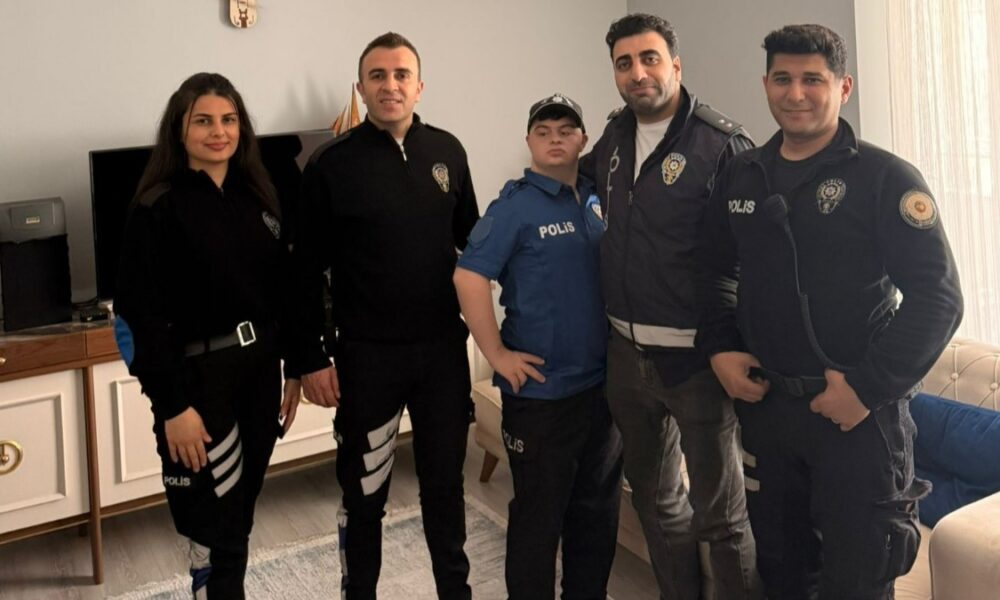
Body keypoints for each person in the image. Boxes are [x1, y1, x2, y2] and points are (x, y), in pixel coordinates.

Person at [698, 24, 963, 599]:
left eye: (812, 80)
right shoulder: (744, 173)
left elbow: (939, 298)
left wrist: (865, 389)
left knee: (858, 580)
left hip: (858, 421)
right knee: (782, 572)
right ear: (765, 85)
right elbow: (716, 269)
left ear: (843, 87)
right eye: (783, 79)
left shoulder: (884, 178)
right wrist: (720, 347)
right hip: (769, 412)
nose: (796, 94)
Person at [292, 32, 480, 600]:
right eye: (378, 75)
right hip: (367, 359)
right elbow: (301, 270)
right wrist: (309, 358)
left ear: (419, 86)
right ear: (361, 87)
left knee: (445, 490)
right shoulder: (330, 164)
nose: (390, 85)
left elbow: (474, 245)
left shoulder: (448, 151)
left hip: (443, 355)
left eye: (401, 75)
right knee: (364, 494)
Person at [580, 13, 761, 599]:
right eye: (624, 63)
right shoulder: (614, 137)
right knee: (656, 503)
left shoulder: (723, 145)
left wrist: (735, 346)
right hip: (625, 359)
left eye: (650, 58)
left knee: (722, 518)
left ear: (676, 66)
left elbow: (750, 262)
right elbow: (584, 188)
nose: (638, 73)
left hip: (698, 364)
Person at [113, 72, 302, 599]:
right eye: (203, 121)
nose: (218, 132)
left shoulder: (259, 198)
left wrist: (293, 367)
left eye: (228, 120)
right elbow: (135, 321)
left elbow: (283, 292)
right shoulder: (156, 208)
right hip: (197, 387)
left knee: (238, 520)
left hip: (259, 376)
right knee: (214, 528)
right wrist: (173, 407)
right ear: (179, 130)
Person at [454, 94, 624, 599]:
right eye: (544, 131)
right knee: (537, 521)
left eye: (566, 130)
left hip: (602, 390)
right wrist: (496, 355)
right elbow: (468, 277)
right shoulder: (515, 206)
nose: (555, 138)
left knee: (596, 516)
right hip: (542, 398)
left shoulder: (596, 197)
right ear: (528, 140)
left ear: (583, 140)